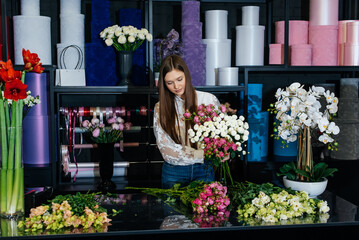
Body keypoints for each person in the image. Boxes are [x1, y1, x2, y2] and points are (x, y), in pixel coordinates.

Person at [153, 55, 221, 189]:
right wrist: (202, 154)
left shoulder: (209, 100)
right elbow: (166, 149)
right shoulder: (160, 108)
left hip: (204, 170)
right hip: (174, 172)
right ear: (164, 84)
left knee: (208, 210)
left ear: (187, 76)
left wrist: (222, 150)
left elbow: (220, 137)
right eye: (169, 83)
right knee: (173, 210)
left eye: (179, 79)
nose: (176, 86)